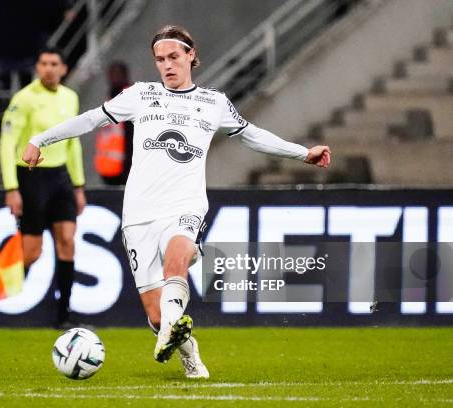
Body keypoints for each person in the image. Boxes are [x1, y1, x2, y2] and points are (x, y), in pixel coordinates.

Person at [22, 26, 331, 378]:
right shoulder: (140, 95)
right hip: (138, 214)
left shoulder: (214, 103)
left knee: (176, 260)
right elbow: (91, 119)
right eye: (159, 59)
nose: (166, 65)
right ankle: (184, 345)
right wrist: (41, 139)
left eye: (173, 57)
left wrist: (303, 153)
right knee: (156, 316)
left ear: (190, 56)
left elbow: (252, 135)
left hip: (185, 205)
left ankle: (172, 331)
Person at [0, 46, 87, 330]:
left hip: (61, 178)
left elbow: (73, 142)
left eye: (54, 63)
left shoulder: (70, 97)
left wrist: (78, 185)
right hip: (31, 177)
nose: (48, 68)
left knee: (67, 242)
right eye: (43, 63)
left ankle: (63, 316)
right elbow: (7, 143)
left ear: (63, 69)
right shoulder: (24, 99)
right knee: (31, 252)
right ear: (38, 68)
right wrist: (11, 188)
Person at [95, 61, 134, 185]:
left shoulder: (128, 99)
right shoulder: (111, 99)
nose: (114, 78)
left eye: (117, 74)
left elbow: (130, 138)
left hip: (123, 171)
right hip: (108, 170)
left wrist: (128, 169)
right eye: (112, 74)